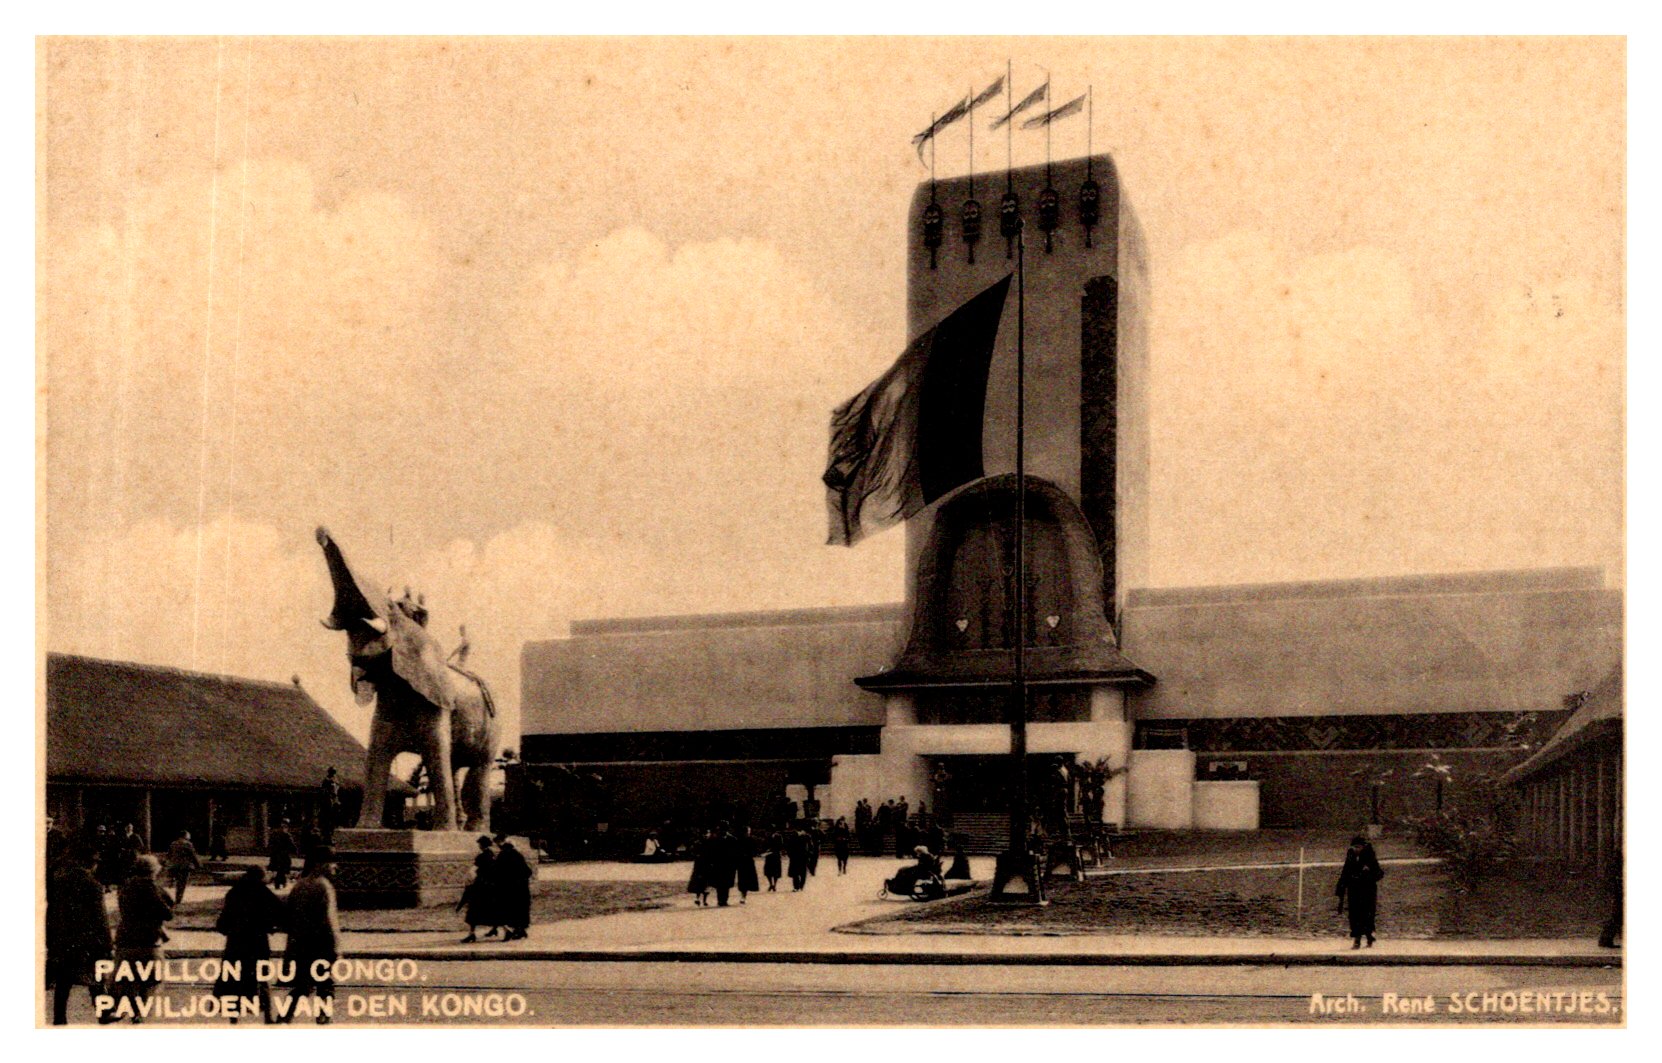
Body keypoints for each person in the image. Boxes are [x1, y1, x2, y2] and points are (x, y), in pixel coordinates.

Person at [46, 844, 111, 1025]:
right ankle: (104, 1012)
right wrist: (107, 944)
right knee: (97, 975)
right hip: (87, 940)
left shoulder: (59, 882)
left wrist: (50, 938)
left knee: (63, 980)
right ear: (91, 864)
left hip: (63, 938)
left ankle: (59, 1017)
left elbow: (51, 912)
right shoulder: (93, 886)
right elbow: (101, 919)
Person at [215, 867, 284, 1023]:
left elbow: (223, 921)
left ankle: (233, 1016)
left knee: (234, 978)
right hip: (257, 941)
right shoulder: (263, 892)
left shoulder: (234, 892)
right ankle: (268, 1015)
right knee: (262, 977)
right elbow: (279, 912)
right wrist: (272, 926)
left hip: (236, 942)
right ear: (261, 877)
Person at [280, 847, 340, 1023]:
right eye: (331, 862)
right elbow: (329, 920)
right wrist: (335, 946)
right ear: (321, 864)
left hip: (301, 943)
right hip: (321, 944)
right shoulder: (324, 886)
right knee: (326, 985)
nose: (334, 867)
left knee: (303, 986)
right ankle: (323, 1019)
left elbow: (289, 918)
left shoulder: (299, 885)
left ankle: (285, 1017)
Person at [112, 854, 173, 1022]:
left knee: (128, 979)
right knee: (151, 978)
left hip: (126, 937)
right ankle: (138, 1013)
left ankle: (132, 1009)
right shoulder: (152, 888)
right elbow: (167, 913)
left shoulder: (125, 887)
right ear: (153, 871)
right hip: (148, 938)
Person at [1335, 836, 1386, 949]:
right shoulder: (1350, 855)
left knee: (1367, 914)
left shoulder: (1370, 856)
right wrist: (1341, 887)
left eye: (1358, 847)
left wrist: (1368, 875)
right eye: (1354, 847)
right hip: (1354, 889)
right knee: (1354, 914)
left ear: (1363, 847)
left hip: (1367, 890)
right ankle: (1356, 939)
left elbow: (1379, 873)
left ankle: (1369, 937)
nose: (1356, 849)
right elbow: (1345, 871)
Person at [458, 836, 499, 942]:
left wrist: (469, 880)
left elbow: (473, 871)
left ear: (482, 845)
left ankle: (471, 934)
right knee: (492, 908)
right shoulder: (492, 855)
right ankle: (498, 928)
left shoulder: (481, 856)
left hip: (481, 885)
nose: (479, 846)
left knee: (473, 910)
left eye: (479, 844)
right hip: (491, 884)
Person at [494, 835, 534, 940]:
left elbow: (497, 872)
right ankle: (521, 930)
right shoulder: (517, 855)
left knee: (510, 909)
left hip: (509, 888)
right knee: (521, 909)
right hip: (522, 887)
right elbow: (528, 871)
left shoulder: (503, 855)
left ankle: (514, 931)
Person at [165, 829, 201, 905]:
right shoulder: (188, 844)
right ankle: (178, 899)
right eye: (189, 835)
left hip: (174, 866)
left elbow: (168, 855)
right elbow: (193, 855)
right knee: (182, 883)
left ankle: (172, 887)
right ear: (185, 836)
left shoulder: (173, 843)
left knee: (178, 882)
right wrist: (198, 865)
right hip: (185, 866)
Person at [709, 822, 739, 907]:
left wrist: (735, 863)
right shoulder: (715, 839)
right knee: (719, 883)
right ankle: (720, 900)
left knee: (727, 882)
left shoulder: (732, 839)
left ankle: (724, 900)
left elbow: (736, 852)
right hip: (718, 864)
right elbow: (711, 852)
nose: (721, 831)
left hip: (729, 864)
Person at [268, 820, 298, 889]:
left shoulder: (276, 835)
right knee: (281, 870)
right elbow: (292, 845)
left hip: (279, 856)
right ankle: (281, 882)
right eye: (282, 827)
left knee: (280, 870)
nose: (283, 828)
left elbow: (270, 845)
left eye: (285, 827)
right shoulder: (285, 835)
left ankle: (279, 882)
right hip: (281, 856)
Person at [734, 827, 760, 904]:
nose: (748, 833)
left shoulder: (752, 840)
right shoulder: (739, 840)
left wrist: (750, 854)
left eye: (748, 831)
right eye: (746, 831)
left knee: (748, 880)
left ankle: (744, 895)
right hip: (741, 862)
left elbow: (755, 851)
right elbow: (736, 850)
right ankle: (743, 896)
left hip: (749, 862)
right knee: (742, 880)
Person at [687, 829, 713, 906]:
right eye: (704, 834)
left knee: (707, 883)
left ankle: (705, 900)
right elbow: (692, 851)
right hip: (699, 865)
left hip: (708, 864)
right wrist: (696, 855)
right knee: (698, 882)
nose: (706, 835)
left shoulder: (711, 843)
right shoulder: (697, 843)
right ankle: (697, 898)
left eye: (707, 833)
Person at [318, 767, 342, 842]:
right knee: (327, 820)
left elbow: (336, 791)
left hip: (332, 801)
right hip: (328, 802)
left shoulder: (334, 780)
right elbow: (326, 791)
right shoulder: (327, 781)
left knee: (332, 819)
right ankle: (326, 836)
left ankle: (330, 835)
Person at [786, 826, 811, 892]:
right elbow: (788, 846)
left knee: (803, 873)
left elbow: (811, 846)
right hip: (795, 857)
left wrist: (809, 855)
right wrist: (790, 855)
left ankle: (801, 886)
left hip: (803, 857)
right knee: (795, 873)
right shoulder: (792, 836)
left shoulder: (807, 837)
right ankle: (796, 887)